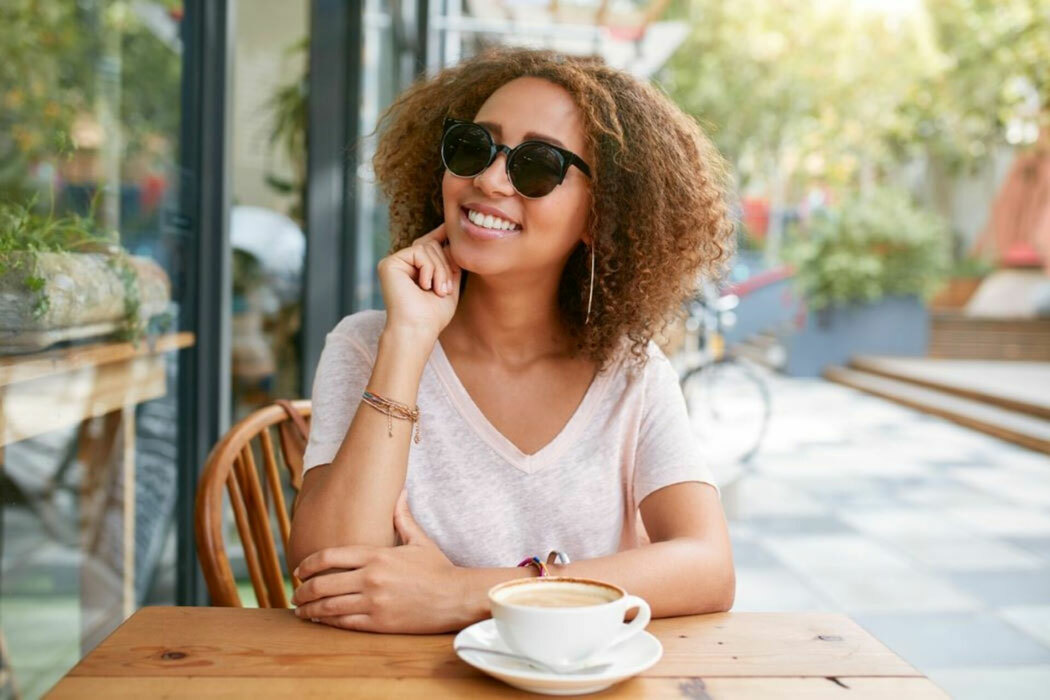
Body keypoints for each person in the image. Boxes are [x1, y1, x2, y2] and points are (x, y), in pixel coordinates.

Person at [288, 47, 735, 633]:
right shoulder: (370, 345)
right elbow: (326, 577)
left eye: (537, 166)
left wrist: (468, 593)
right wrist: (408, 343)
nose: (489, 179)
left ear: (600, 218)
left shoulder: (633, 374)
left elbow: (708, 567)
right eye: (474, 146)